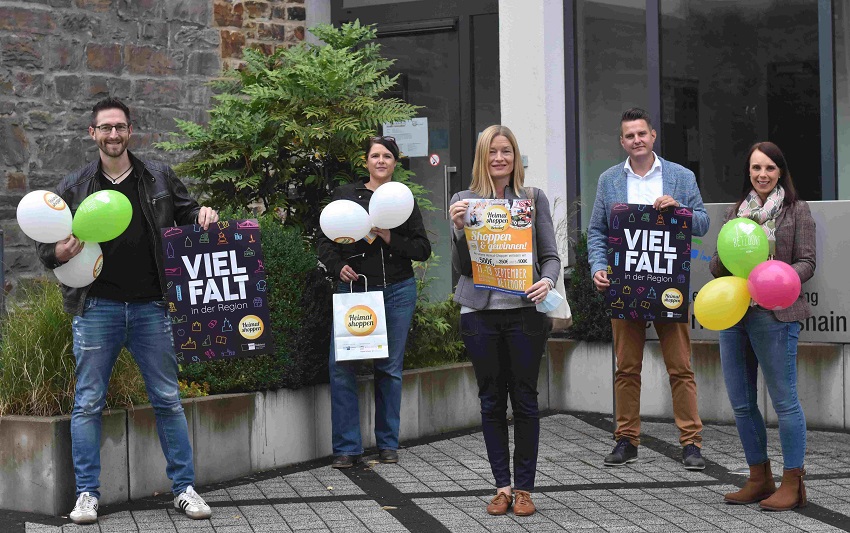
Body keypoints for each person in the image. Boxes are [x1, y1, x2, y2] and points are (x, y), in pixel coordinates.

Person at [35, 98, 216, 524]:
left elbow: (189, 215)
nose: (113, 135)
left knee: (168, 399)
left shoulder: (158, 177)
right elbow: (46, 241)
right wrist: (56, 253)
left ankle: (185, 488)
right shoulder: (75, 186)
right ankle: (86, 495)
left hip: (152, 305)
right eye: (105, 128)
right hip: (97, 306)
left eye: (120, 127)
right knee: (88, 402)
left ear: (130, 131)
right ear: (92, 133)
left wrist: (205, 213)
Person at [587, 108, 710, 470]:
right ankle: (626, 440)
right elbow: (597, 230)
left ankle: (691, 444)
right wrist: (597, 266)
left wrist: (680, 209)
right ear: (622, 141)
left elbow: (702, 223)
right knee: (626, 368)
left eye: (642, 133)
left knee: (681, 367)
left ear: (653, 136)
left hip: (668, 285)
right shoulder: (609, 180)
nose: (636, 140)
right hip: (626, 284)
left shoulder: (680, 177)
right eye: (629, 136)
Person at [448, 125, 560, 517]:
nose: (499, 158)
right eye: (493, 152)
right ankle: (502, 486)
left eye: (506, 151)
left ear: (515, 157)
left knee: (526, 400)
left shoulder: (532, 199)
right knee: (491, 401)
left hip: (525, 314)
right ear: (483, 157)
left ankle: (525, 489)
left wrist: (547, 281)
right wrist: (459, 229)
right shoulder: (463, 201)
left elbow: (550, 255)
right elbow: (461, 267)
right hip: (479, 315)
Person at [709, 142, 815, 511]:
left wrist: (779, 277)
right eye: (756, 168)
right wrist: (724, 261)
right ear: (748, 173)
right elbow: (716, 265)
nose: (762, 175)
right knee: (740, 402)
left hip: (775, 315)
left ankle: (793, 483)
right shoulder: (734, 213)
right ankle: (759, 477)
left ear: (781, 171)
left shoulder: (796, 211)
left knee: (784, 401)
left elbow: (807, 262)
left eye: (770, 168)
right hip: (734, 312)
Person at [316, 136, 431, 469]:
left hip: (397, 291)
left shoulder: (403, 200)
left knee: (390, 370)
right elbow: (324, 243)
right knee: (341, 368)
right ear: (366, 162)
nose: (381, 161)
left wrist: (389, 236)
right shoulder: (346, 197)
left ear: (395, 163)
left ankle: (387, 445)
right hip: (355, 293)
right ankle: (347, 448)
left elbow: (422, 250)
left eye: (387, 156)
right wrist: (339, 267)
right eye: (375, 155)